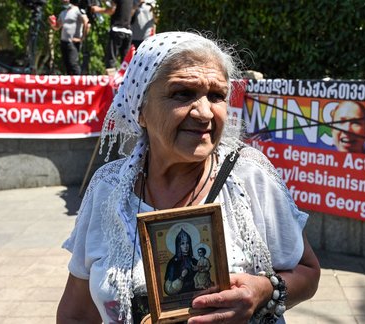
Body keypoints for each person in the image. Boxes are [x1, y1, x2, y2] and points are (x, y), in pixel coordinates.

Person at [56, 31, 320, 324]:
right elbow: (76, 313)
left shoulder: (249, 177)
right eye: (182, 93)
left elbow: (307, 271)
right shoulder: (109, 189)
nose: (205, 112)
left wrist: (264, 291)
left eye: (217, 95)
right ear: (140, 109)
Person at [90, 0, 134, 70]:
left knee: (111, 60)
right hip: (128, 31)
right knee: (126, 61)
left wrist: (97, 10)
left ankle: (111, 79)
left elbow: (112, 10)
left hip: (117, 29)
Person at [49, 0, 90, 75]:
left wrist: (82, 38)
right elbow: (57, 27)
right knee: (67, 65)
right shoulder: (63, 13)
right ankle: (70, 84)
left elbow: (87, 23)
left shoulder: (78, 10)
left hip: (73, 42)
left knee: (73, 64)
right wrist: (52, 24)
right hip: (63, 42)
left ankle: (78, 83)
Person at [163, 229, 197, 295]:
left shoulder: (194, 261)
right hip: (180, 296)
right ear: (178, 245)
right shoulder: (173, 263)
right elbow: (168, 289)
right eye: (182, 243)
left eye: (187, 243)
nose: (186, 246)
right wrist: (181, 277)